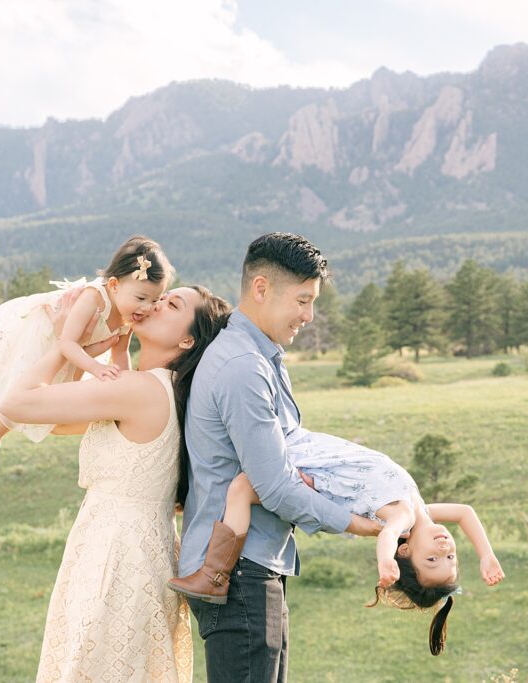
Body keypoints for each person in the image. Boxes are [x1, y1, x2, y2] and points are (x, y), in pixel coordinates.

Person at [0, 282, 231, 682]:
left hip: (118, 557)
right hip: (126, 548)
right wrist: (110, 352)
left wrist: (69, 341)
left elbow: (16, 404)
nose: (156, 304)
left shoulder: (140, 390)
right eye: (159, 296)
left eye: (172, 304)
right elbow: (55, 422)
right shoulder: (154, 389)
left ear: (188, 339)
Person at [178, 232, 384, 683]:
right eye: (303, 300)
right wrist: (358, 524)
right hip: (236, 571)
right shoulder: (242, 367)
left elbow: (291, 457)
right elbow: (275, 485)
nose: (309, 316)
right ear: (261, 289)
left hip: (252, 564)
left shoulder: (263, 355)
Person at [170, 431, 505, 655]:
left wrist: (385, 561)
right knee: (239, 482)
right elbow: (465, 512)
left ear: (406, 550)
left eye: (432, 561)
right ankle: (184, 498)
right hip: (324, 467)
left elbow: (388, 533)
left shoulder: (403, 517)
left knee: (241, 487)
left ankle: (214, 573)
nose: (445, 552)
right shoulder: (421, 509)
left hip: (314, 473)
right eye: (451, 560)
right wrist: (486, 555)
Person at [0, 236, 174, 484]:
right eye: (141, 298)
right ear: (114, 284)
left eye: (154, 300)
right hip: (50, 339)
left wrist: (123, 384)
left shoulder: (129, 316)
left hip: (78, 352)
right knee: (24, 391)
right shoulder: (94, 299)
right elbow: (66, 342)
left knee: (55, 403)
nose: (147, 308)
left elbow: (120, 352)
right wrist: (96, 367)